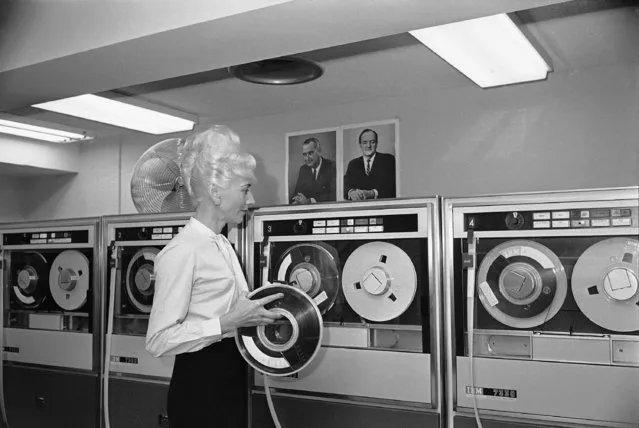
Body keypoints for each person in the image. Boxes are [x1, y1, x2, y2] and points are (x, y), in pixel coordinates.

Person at [145, 125, 283, 428]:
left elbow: (233, 312)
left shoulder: (222, 244)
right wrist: (227, 323)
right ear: (217, 192)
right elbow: (158, 341)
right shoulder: (182, 251)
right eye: (245, 188)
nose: (251, 199)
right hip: (199, 391)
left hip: (230, 382)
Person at [343, 128, 396, 200]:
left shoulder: (389, 160)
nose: (368, 145)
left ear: (377, 143)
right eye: (365, 142)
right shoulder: (353, 164)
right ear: (360, 145)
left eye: (372, 142)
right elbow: (344, 187)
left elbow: (392, 187)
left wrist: (372, 193)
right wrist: (351, 192)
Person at [290, 137, 336, 204]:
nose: (307, 158)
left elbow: (334, 195)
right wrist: (296, 199)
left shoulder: (332, 166)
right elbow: (298, 192)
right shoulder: (303, 169)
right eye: (304, 154)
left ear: (319, 151)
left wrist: (310, 201)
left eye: (310, 153)